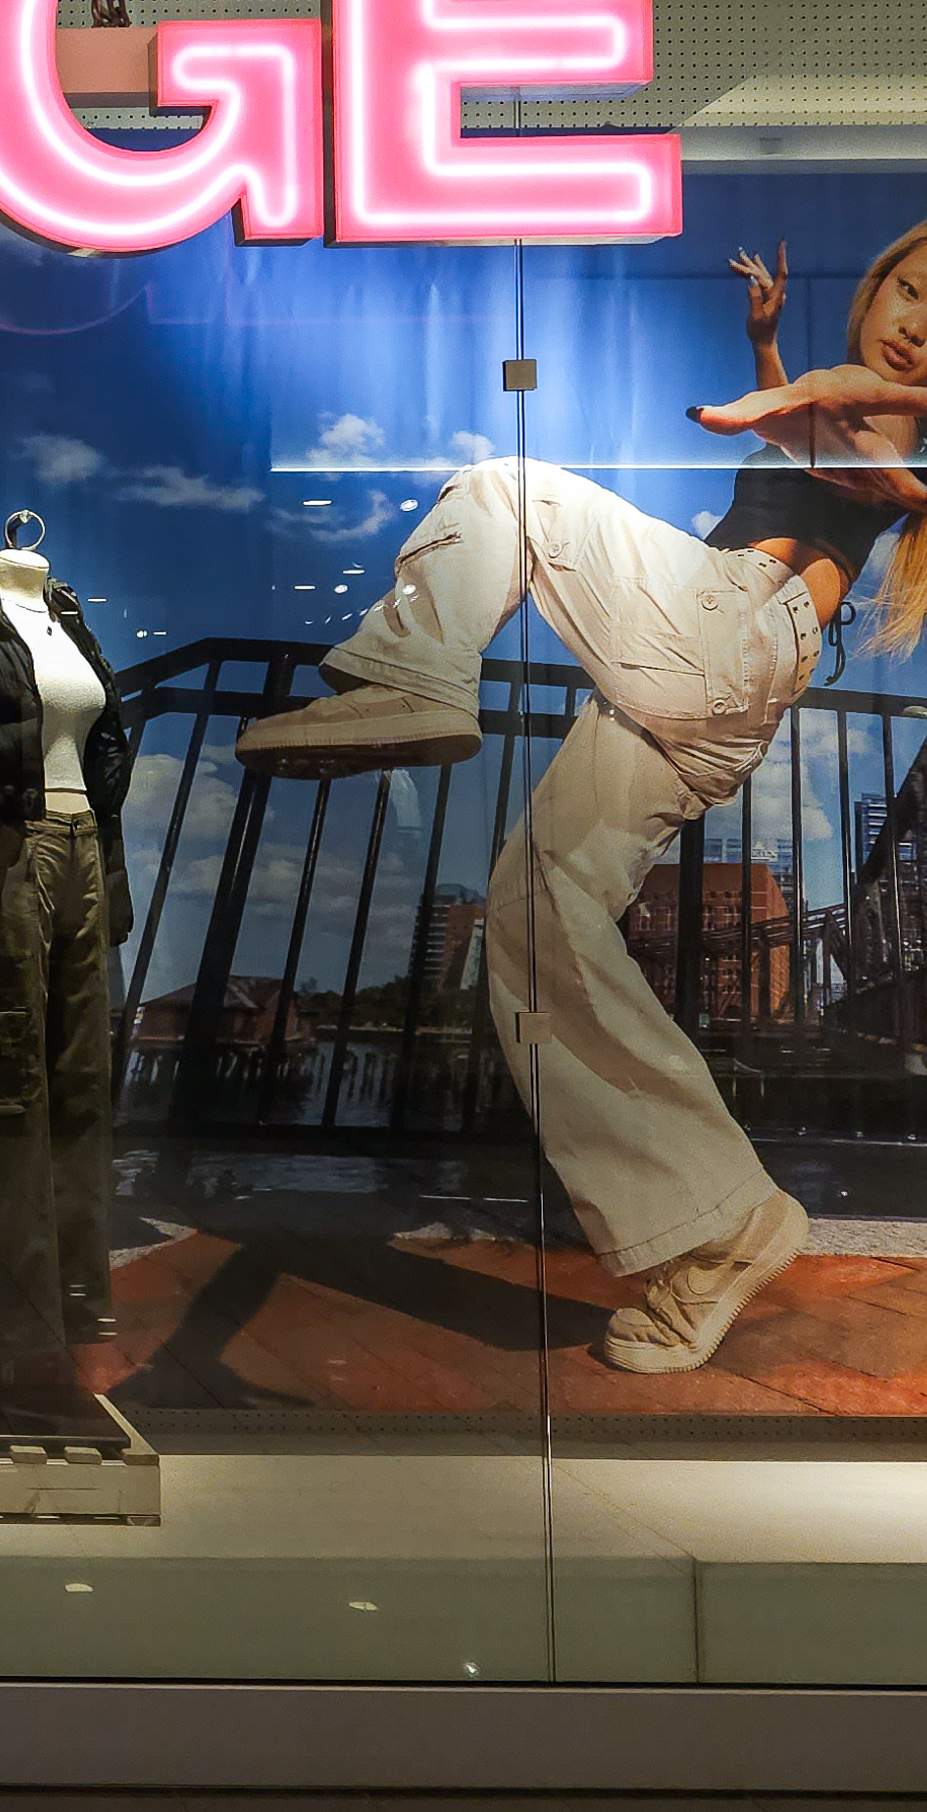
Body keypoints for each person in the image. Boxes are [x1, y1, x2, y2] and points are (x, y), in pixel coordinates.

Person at [237, 226, 927, 1376]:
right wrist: (768, 356)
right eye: (909, 288)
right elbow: (813, 425)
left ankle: (411, 677)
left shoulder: (876, 402)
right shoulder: (847, 398)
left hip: (725, 626)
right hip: (723, 689)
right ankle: (715, 1228)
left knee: (505, 490)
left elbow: (839, 424)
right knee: (535, 919)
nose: (915, 321)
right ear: (875, 286)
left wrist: (799, 409)